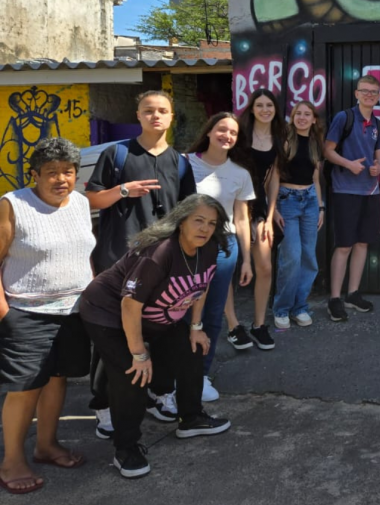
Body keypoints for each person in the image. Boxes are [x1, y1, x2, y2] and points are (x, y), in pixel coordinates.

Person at [80, 194, 232, 478]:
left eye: (212, 223)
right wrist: (139, 353)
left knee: (192, 348)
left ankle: (191, 418)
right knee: (133, 374)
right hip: (108, 312)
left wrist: (196, 327)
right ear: (181, 221)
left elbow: (201, 285)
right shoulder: (160, 251)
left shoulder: (208, 248)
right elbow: (129, 304)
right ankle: (126, 448)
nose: (205, 228)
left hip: (154, 314)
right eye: (198, 220)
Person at [85, 90, 197, 438]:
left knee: (164, 330)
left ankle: (160, 393)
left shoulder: (180, 162)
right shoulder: (116, 154)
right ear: (138, 114)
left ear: (171, 116)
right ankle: (103, 406)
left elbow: (189, 213)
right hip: (119, 261)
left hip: (162, 265)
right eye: (149, 111)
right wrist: (123, 190)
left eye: (162, 110)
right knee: (113, 337)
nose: (156, 116)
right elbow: (91, 198)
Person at [0, 138, 96, 494]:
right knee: (26, 388)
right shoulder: (13, 205)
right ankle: (11, 460)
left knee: (57, 379)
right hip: (26, 312)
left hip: (72, 311)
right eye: (52, 172)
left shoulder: (81, 204)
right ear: (35, 175)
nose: (61, 179)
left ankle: (46, 446)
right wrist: (5, 313)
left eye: (68, 172)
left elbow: (82, 254)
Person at [186, 113, 256, 401]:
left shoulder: (240, 174)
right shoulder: (185, 163)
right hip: (187, 246)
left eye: (233, 133)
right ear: (209, 130)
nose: (227, 135)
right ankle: (177, 373)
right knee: (181, 312)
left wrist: (247, 259)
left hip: (224, 246)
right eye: (221, 129)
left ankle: (201, 373)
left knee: (213, 313)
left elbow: (241, 219)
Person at [323, 75, 380, 322]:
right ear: (356, 93)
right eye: (365, 91)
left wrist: (378, 167)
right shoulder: (344, 118)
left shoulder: (378, 125)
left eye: (374, 92)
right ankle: (335, 299)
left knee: (362, 243)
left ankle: (353, 294)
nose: (370, 95)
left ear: (379, 96)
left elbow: (379, 157)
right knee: (344, 245)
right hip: (345, 190)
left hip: (371, 191)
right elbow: (327, 151)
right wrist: (348, 164)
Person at [223, 89, 284, 351]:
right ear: (252, 109)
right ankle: (233, 325)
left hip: (258, 205)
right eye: (259, 105)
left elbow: (273, 178)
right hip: (231, 201)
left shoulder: (278, 137)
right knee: (226, 266)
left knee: (265, 267)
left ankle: (259, 325)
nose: (265, 109)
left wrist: (270, 217)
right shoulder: (240, 135)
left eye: (269, 105)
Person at [271, 100, 325, 329]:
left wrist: (321, 206)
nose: (302, 117)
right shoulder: (284, 140)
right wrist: (272, 208)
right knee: (291, 257)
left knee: (309, 258)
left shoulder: (316, 143)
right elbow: (273, 175)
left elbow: (315, 179)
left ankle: (299, 307)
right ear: (293, 117)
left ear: (314, 119)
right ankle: (281, 308)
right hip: (287, 201)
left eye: (307, 114)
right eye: (298, 114)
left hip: (310, 201)